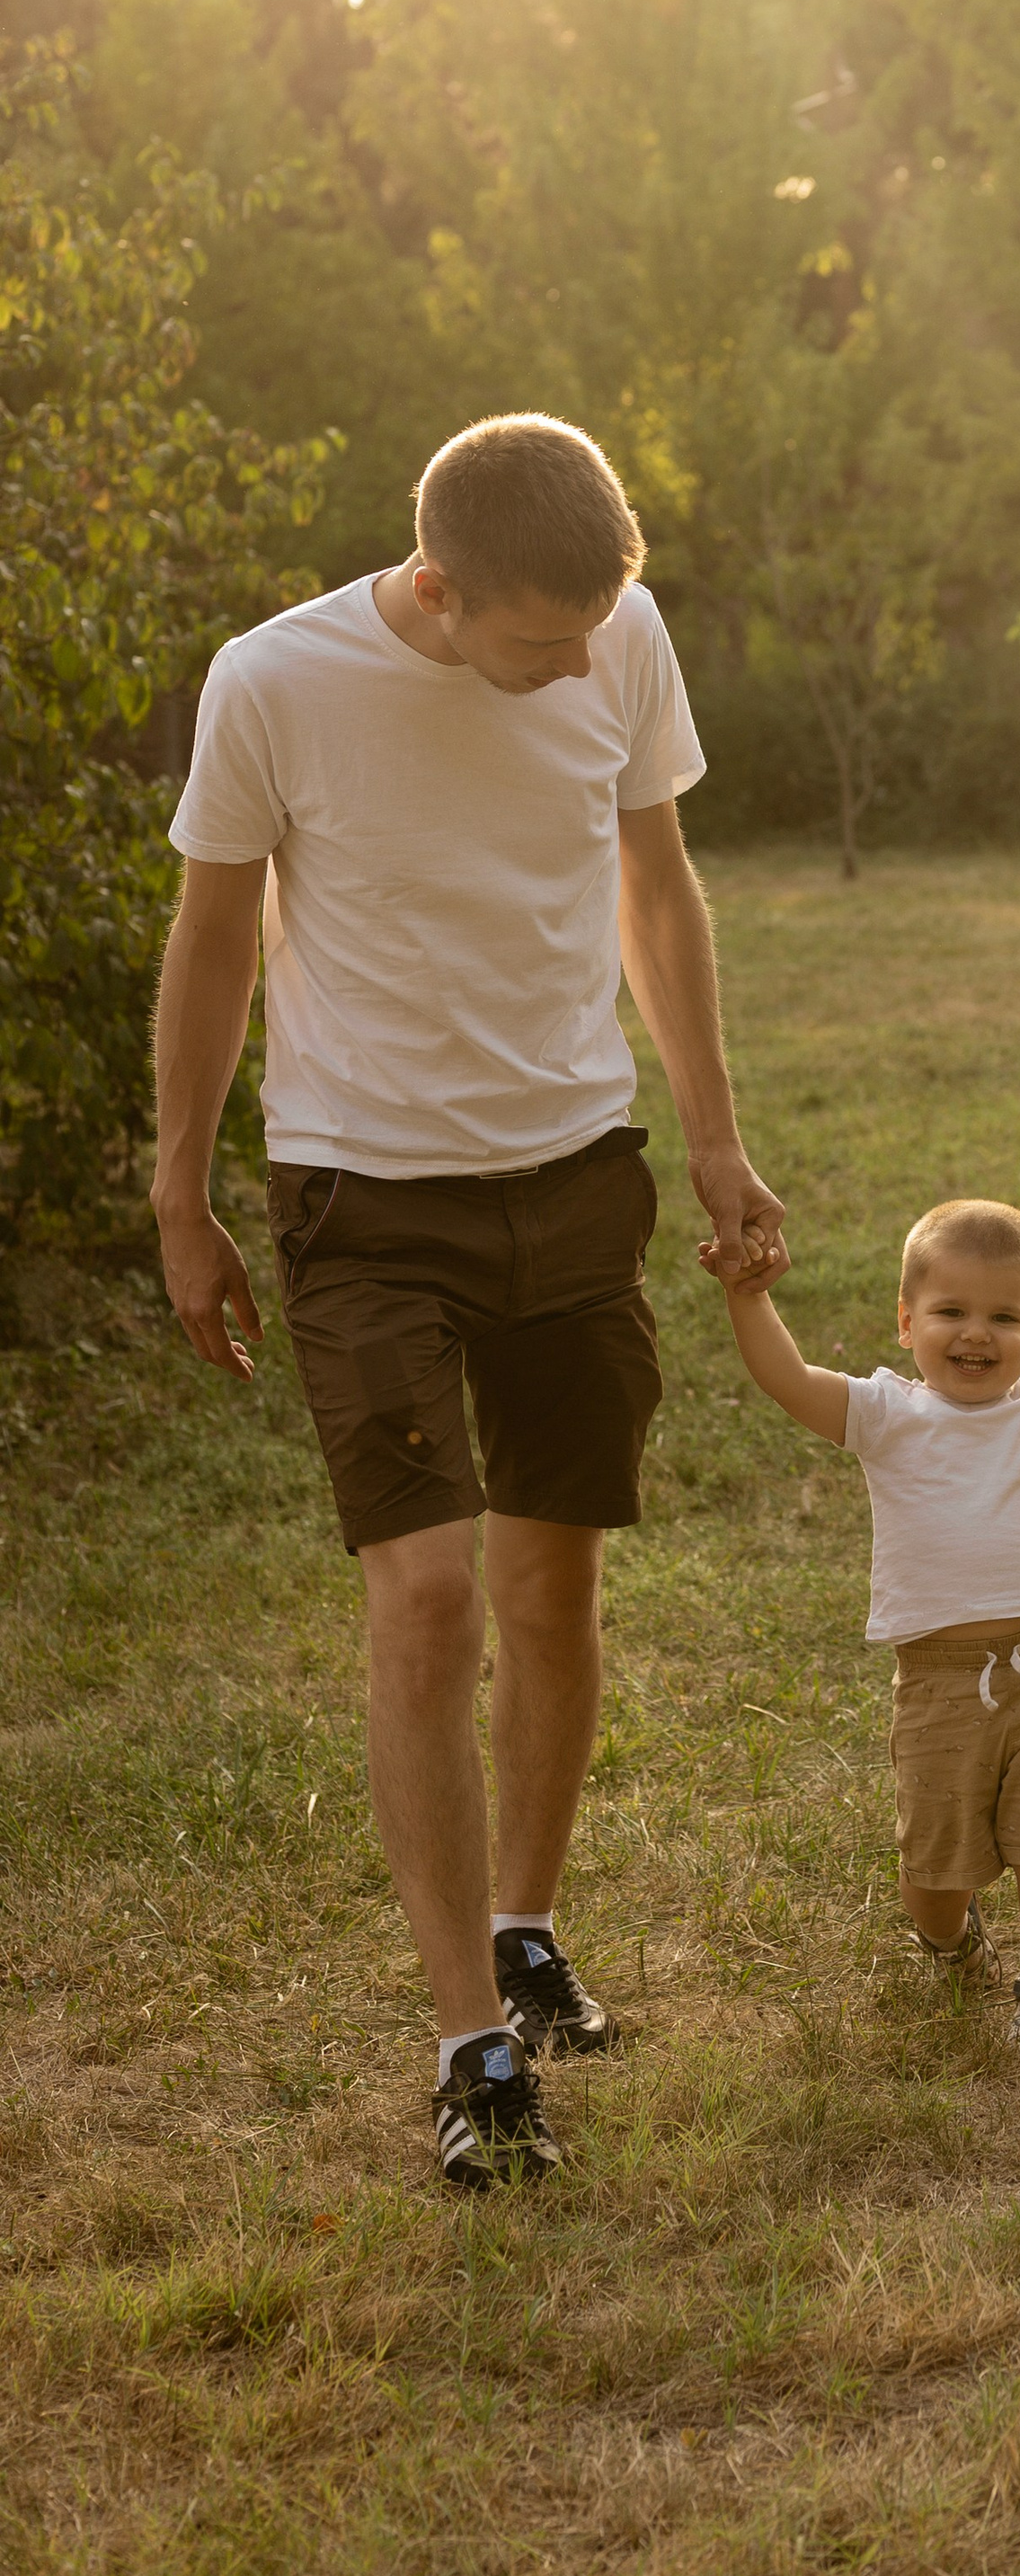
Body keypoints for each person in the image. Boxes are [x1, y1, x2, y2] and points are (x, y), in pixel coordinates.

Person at [151, 415, 786, 2191]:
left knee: (549, 1579)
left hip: (576, 1177)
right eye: (540, 644)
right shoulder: (276, 683)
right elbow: (210, 936)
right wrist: (180, 1187)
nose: (582, 664)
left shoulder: (616, 631)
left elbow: (655, 885)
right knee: (427, 1598)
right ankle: (468, 2042)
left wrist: (718, 1139)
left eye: (598, 628)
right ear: (435, 591)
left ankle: (525, 1921)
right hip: (365, 1199)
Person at [717, 1199, 1020, 2044]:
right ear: (907, 1323)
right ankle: (947, 1938)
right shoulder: (884, 1414)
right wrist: (748, 1297)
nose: (976, 1335)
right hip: (938, 1679)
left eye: (1004, 1317)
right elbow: (787, 1379)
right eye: (950, 1312)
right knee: (937, 1867)